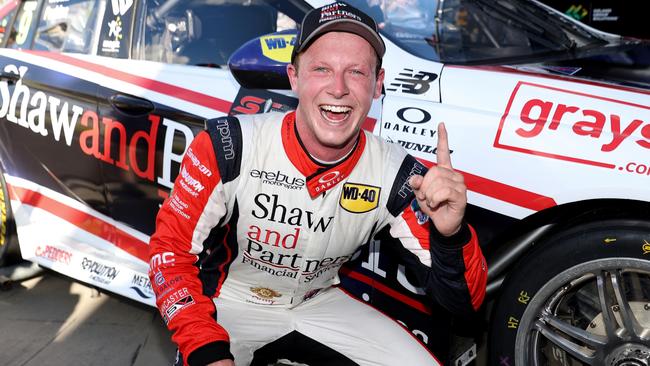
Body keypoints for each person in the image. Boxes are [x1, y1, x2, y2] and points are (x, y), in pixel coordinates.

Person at [149, 2, 487, 365]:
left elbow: (464, 305)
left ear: (378, 84)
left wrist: (451, 236)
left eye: (356, 72)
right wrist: (206, 349)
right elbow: (169, 257)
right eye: (322, 69)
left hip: (320, 302)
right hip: (231, 303)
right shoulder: (227, 144)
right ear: (294, 77)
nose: (338, 88)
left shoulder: (397, 173)